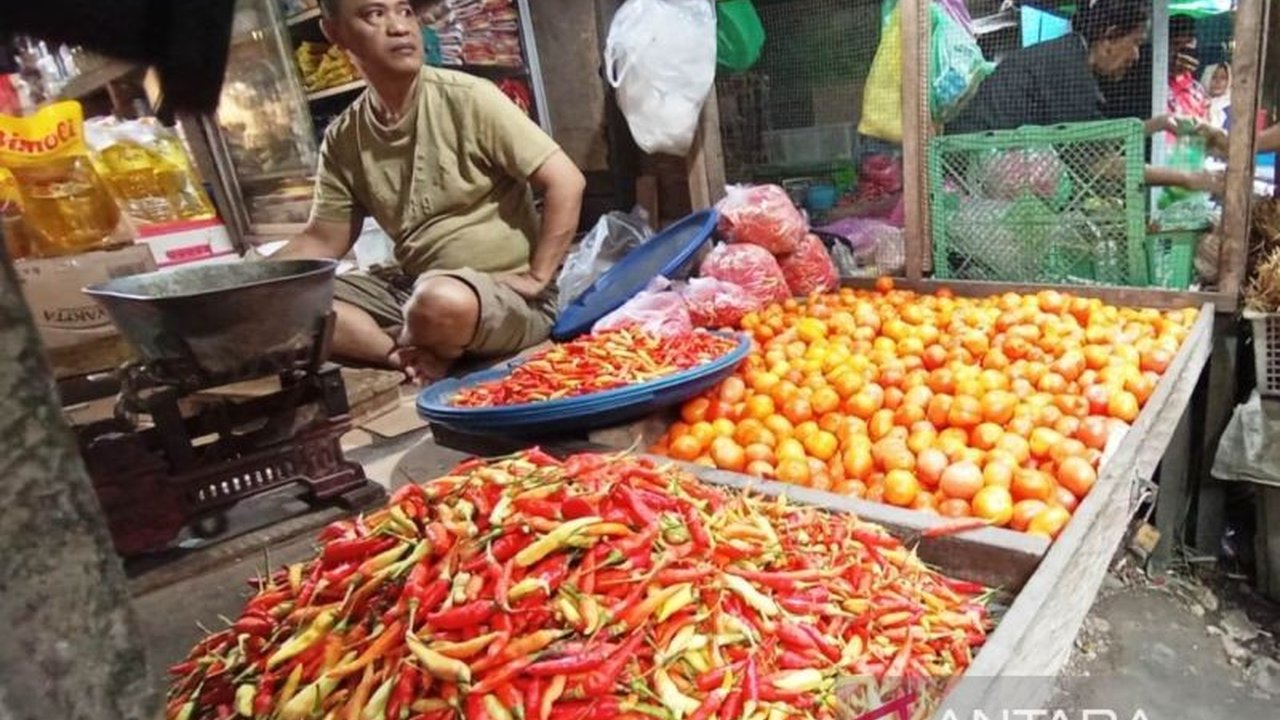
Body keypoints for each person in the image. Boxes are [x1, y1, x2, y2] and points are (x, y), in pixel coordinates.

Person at [273, 0, 586, 383]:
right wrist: (249, 281)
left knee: (439, 301)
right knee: (287, 302)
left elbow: (566, 181)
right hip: (415, 294)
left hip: (502, 300)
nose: (400, 27)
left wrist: (538, 277)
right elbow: (322, 239)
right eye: (375, 14)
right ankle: (405, 355)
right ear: (334, 33)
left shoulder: (468, 97)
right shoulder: (343, 139)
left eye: (404, 11)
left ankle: (419, 338)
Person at [946, 0, 1218, 192]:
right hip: (968, 182)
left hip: (976, 174)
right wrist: (1185, 178)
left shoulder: (1067, 56)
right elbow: (1098, 164)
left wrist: (1158, 124)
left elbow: (1091, 138)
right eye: (1135, 42)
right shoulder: (1066, 71)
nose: (1136, 55)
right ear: (1109, 37)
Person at [1201, 62, 1232, 130]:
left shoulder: (1232, 107)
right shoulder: (1197, 102)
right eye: (1214, 77)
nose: (1218, 81)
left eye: (1223, 78)